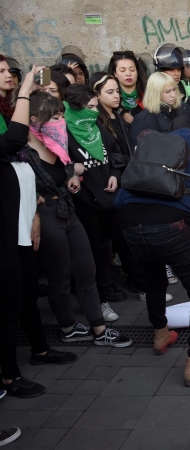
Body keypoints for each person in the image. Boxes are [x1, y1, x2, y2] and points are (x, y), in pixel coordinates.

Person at [116, 126, 190, 386]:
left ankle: (160, 335)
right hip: (174, 231)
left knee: (154, 281)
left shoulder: (147, 158)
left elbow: (118, 203)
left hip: (132, 229)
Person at [26, 90, 132, 347]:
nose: (59, 123)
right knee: (60, 276)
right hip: (45, 217)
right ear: (33, 120)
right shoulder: (23, 153)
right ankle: (68, 326)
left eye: (61, 116)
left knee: (87, 270)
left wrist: (71, 176)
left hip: (68, 211)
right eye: (53, 118)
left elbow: (65, 171)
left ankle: (99, 327)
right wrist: (34, 203)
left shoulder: (58, 144)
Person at [1, 67, 77, 400]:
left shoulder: (6, 110)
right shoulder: (14, 113)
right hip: (5, 225)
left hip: (21, 218)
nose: (11, 75)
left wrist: (32, 211)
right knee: (8, 301)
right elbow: (14, 142)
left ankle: (40, 349)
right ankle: (8, 376)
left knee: (28, 290)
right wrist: (25, 92)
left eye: (8, 70)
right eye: (1, 71)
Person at [129, 72, 190, 147]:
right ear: (156, 93)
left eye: (174, 90)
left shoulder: (184, 108)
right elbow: (138, 151)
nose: (173, 95)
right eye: (168, 92)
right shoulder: (143, 119)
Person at [90, 73, 133, 158]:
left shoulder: (118, 116)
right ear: (97, 94)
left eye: (117, 91)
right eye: (110, 92)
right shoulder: (96, 121)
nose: (116, 96)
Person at [109, 50, 146, 123]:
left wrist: (134, 122)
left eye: (132, 70)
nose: (128, 74)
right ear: (115, 73)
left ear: (137, 72)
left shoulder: (147, 94)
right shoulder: (110, 99)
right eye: (122, 70)